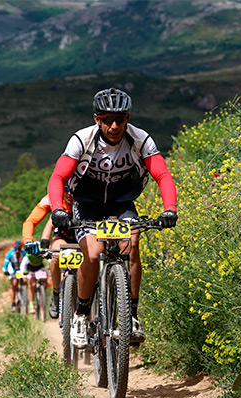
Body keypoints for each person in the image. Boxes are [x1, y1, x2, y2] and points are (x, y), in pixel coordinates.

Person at [48, 88, 178, 348]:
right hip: (87, 204)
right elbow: (58, 177)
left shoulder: (140, 139)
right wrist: (57, 210)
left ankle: (131, 316)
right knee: (93, 254)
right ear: (97, 119)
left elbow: (162, 175)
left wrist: (170, 209)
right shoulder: (81, 140)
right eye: (107, 119)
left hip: (122, 203)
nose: (114, 125)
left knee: (132, 243)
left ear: (128, 116)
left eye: (120, 119)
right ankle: (82, 316)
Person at [22, 189, 75, 318]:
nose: (69, 194)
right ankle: (56, 294)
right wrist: (28, 241)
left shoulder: (87, 195)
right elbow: (31, 221)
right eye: (66, 190)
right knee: (56, 255)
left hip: (84, 235)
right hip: (62, 236)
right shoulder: (51, 198)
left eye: (72, 190)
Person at [2, 240, 25, 312]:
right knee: (14, 284)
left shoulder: (24, 254)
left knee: (25, 281)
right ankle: (13, 303)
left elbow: (28, 262)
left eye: (19, 250)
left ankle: (24, 298)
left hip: (21, 271)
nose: (17, 252)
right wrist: (5, 271)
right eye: (16, 250)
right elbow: (5, 264)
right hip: (12, 271)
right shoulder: (10, 254)